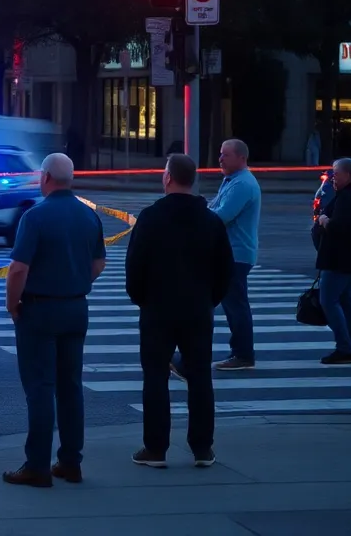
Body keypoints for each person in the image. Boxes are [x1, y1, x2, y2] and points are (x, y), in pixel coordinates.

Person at [2, 153, 107, 488]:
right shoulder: (88, 216)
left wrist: (12, 303)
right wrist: (77, 282)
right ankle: (70, 462)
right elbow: (99, 262)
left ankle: (37, 465)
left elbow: (18, 268)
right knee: (71, 388)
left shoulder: (35, 217)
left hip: (40, 310)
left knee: (40, 388)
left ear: (45, 177)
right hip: (75, 309)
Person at [125, 154, 233, 469]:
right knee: (200, 377)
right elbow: (224, 270)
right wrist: (208, 299)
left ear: (168, 178)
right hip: (198, 309)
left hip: (157, 309)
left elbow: (134, 267)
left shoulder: (150, 218)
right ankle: (202, 448)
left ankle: (156, 448)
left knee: (155, 377)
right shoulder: (211, 221)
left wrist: (143, 299)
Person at [203, 139, 262, 372]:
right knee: (232, 303)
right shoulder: (232, 181)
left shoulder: (242, 184)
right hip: (230, 252)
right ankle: (240, 351)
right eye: (220, 154)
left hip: (236, 253)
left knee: (235, 304)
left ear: (241, 158)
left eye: (225, 155)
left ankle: (243, 353)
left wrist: (197, 218)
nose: (220, 159)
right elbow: (214, 208)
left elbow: (221, 216)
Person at [315, 158, 351, 364]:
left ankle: (344, 347)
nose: (332, 178)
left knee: (328, 301)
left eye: (336, 174)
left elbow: (339, 228)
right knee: (346, 302)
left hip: (338, 258)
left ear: (348, 175)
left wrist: (324, 220)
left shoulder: (347, 198)